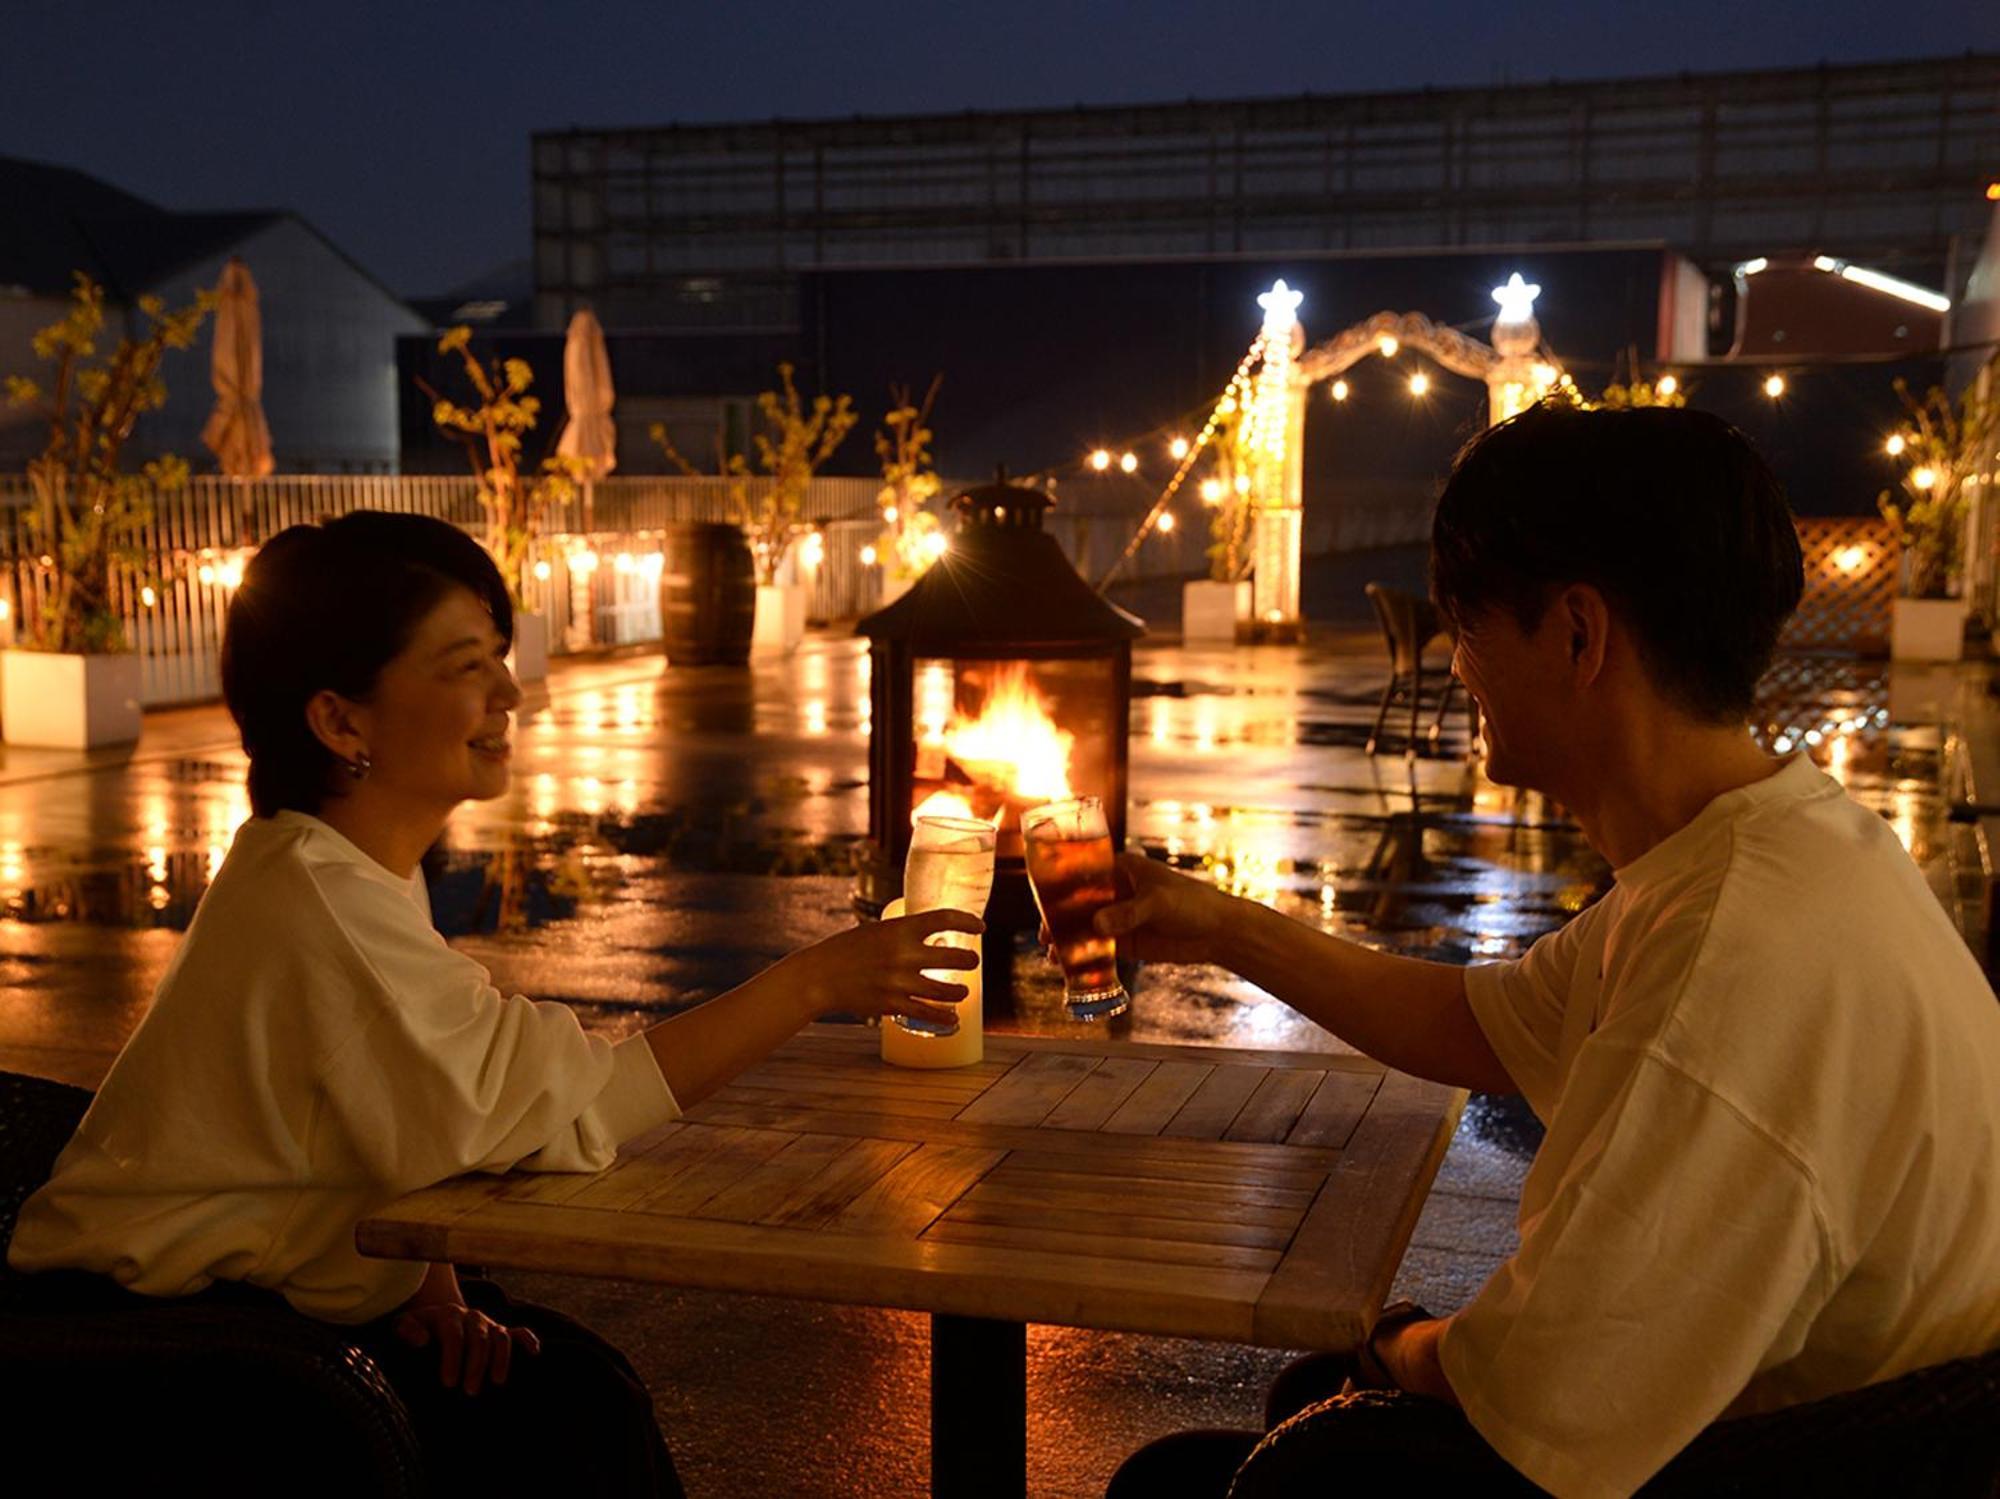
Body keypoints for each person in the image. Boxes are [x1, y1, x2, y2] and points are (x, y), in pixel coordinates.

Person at [1104, 404, 2000, 1499]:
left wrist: (1392, 1341)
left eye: (1467, 625)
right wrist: (1213, 921)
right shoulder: (1785, 842)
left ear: (1577, 635)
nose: (1455, 662)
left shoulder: (1733, 955)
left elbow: (1534, 1396)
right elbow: (1476, 1021)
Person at [6, 510, 979, 1497]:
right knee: (570, 1421)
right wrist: (815, 978)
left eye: (498, 656)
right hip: (164, 1364)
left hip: (247, 1305)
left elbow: (377, 1102)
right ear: (340, 720)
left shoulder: (327, 861)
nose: (509, 691)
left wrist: (428, 1278)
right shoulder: (324, 904)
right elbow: (577, 1105)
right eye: (466, 664)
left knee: (567, 1385)